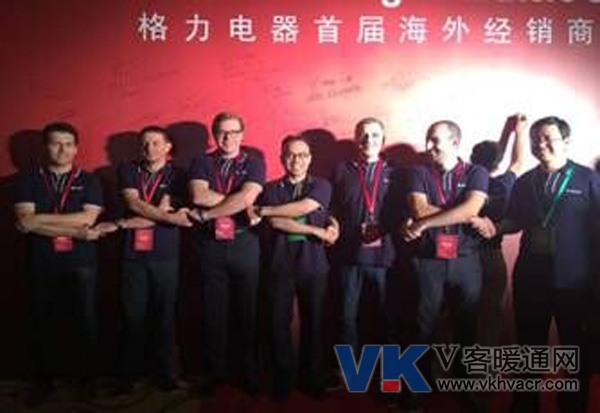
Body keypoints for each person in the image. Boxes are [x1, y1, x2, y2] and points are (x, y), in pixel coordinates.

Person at [472, 116, 599, 413]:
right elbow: (515, 220)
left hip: (576, 281)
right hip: (531, 278)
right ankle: (525, 404)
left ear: (566, 141)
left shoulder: (589, 179)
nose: (540, 144)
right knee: (529, 347)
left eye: (547, 138)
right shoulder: (525, 181)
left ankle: (572, 405)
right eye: (534, 139)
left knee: (575, 348)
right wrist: (494, 228)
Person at [13, 122, 112, 404]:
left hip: (82, 264)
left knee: (85, 323)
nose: (62, 149)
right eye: (56, 143)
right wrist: (76, 232)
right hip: (42, 262)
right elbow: (23, 220)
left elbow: (88, 218)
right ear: (46, 147)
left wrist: (38, 220)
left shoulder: (90, 180)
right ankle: (44, 382)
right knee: (42, 323)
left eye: (68, 144)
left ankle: (86, 381)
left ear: (76, 148)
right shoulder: (28, 180)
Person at [402, 120, 488, 411]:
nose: (429, 146)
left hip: (466, 259)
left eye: (435, 140)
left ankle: (466, 388)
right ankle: (418, 390)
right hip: (428, 260)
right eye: (428, 139)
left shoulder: (476, 172)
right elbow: (419, 208)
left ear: (454, 142)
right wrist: (461, 214)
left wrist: (426, 223)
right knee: (422, 326)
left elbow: (471, 208)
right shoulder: (418, 172)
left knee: (467, 326)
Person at [256, 135, 339, 402]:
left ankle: (311, 378)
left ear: (310, 158)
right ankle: (282, 380)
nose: (297, 160)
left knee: (314, 324)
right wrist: (316, 230)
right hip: (279, 266)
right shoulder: (270, 189)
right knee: (278, 325)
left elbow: (305, 207)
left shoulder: (322, 185)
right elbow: (277, 223)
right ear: (282, 159)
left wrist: (267, 210)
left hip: (314, 266)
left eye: (302, 155)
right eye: (291, 155)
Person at [188, 112, 264, 397]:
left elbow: (248, 196)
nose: (228, 137)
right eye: (222, 132)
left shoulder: (254, 162)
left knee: (247, 312)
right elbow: (198, 195)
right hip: (210, 245)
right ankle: (215, 373)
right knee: (212, 313)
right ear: (214, 134)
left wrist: (209, 213)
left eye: (233, 132)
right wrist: (240, 205)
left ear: (242, 134)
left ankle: (248, 371)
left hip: (245, 244)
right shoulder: (201, 161)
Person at [114, 126, 191, 393]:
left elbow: (167, 209)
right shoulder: (127, 170)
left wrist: (124, 223)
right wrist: (167, 216)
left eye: (156, 143)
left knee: (165, 316)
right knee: (131, 316)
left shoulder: (179, 175)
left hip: (166, 256)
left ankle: (168, 375)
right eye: (145, 143)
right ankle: (130, 376)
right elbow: (134, 203)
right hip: (132, 256)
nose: (149, 148)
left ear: (168, 147)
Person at [330, 117, 398, 361]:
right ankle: (350, 371)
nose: (369, 140)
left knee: (384, 316)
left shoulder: (396, 172)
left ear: (383, 140)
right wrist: (332, 224)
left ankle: (386, 372)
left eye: (375, 135)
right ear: (356, 139)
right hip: (349, 255)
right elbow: (331, 208)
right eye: (364, 135)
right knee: (346, 317)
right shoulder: (341, 170)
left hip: (385, 258)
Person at [470, 114, 527, 348]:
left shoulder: (466, 182)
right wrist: (518, 131)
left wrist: (507, 132)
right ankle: (485, 361)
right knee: (491, 311)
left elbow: (498, 157)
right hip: (492, 254)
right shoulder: (504, 183)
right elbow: (518, 160)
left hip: (466, 255)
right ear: (498, 162)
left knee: (461, 310)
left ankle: (456, 361)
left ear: (472, 158)